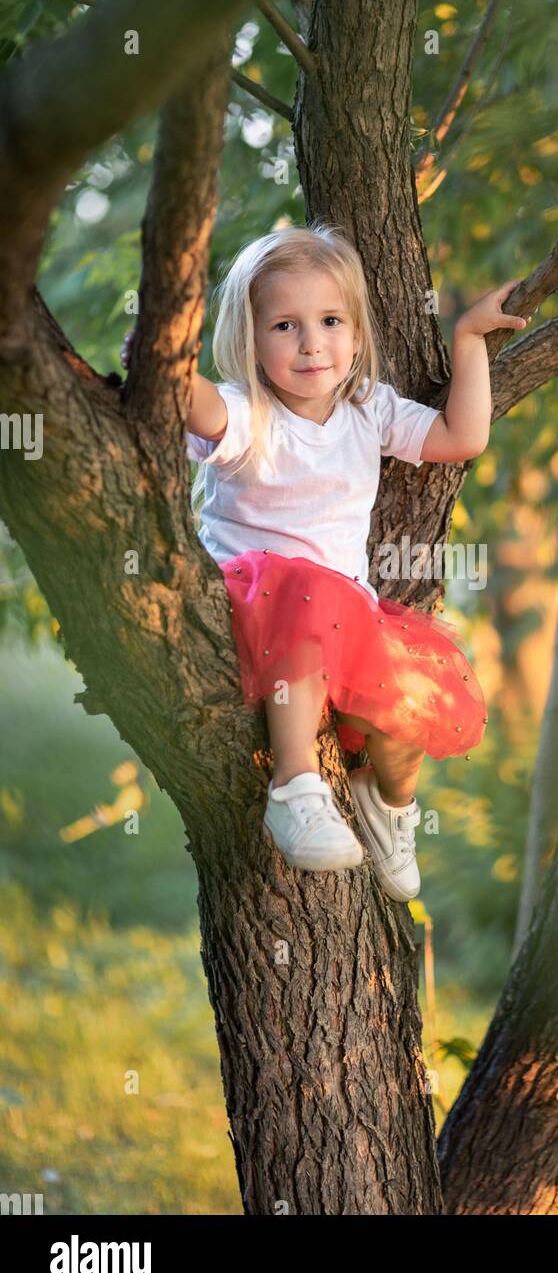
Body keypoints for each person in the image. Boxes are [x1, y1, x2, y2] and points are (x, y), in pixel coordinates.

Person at [121, 223, 527, 901]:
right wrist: (166, 365)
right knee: (309, 590)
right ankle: (295, 787)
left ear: (356, 331)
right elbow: (200, 409)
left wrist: (469, 340)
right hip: (260, 608)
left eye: (330, 320)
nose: (312, 343)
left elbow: (462, 437)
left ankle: (388, 805)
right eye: (284, 325)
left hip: (345, 620)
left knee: (412, 706)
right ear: (249, 340)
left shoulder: (367, 409)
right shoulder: (250, 412)